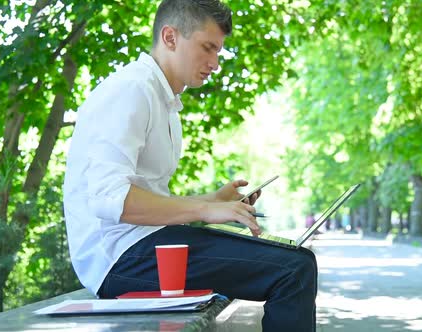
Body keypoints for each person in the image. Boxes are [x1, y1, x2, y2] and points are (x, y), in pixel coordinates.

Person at [62, 0, 317, 330]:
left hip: (145, 247)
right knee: (294, 269)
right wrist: (205, 211)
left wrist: (213, 201)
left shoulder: (164, 101)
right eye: (207, 48)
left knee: (297, 261)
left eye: (219, 52)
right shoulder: (131, 90)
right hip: (118, 259)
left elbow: (151, 197)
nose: (214, 63)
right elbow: (111, 199)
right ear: (170, 37)